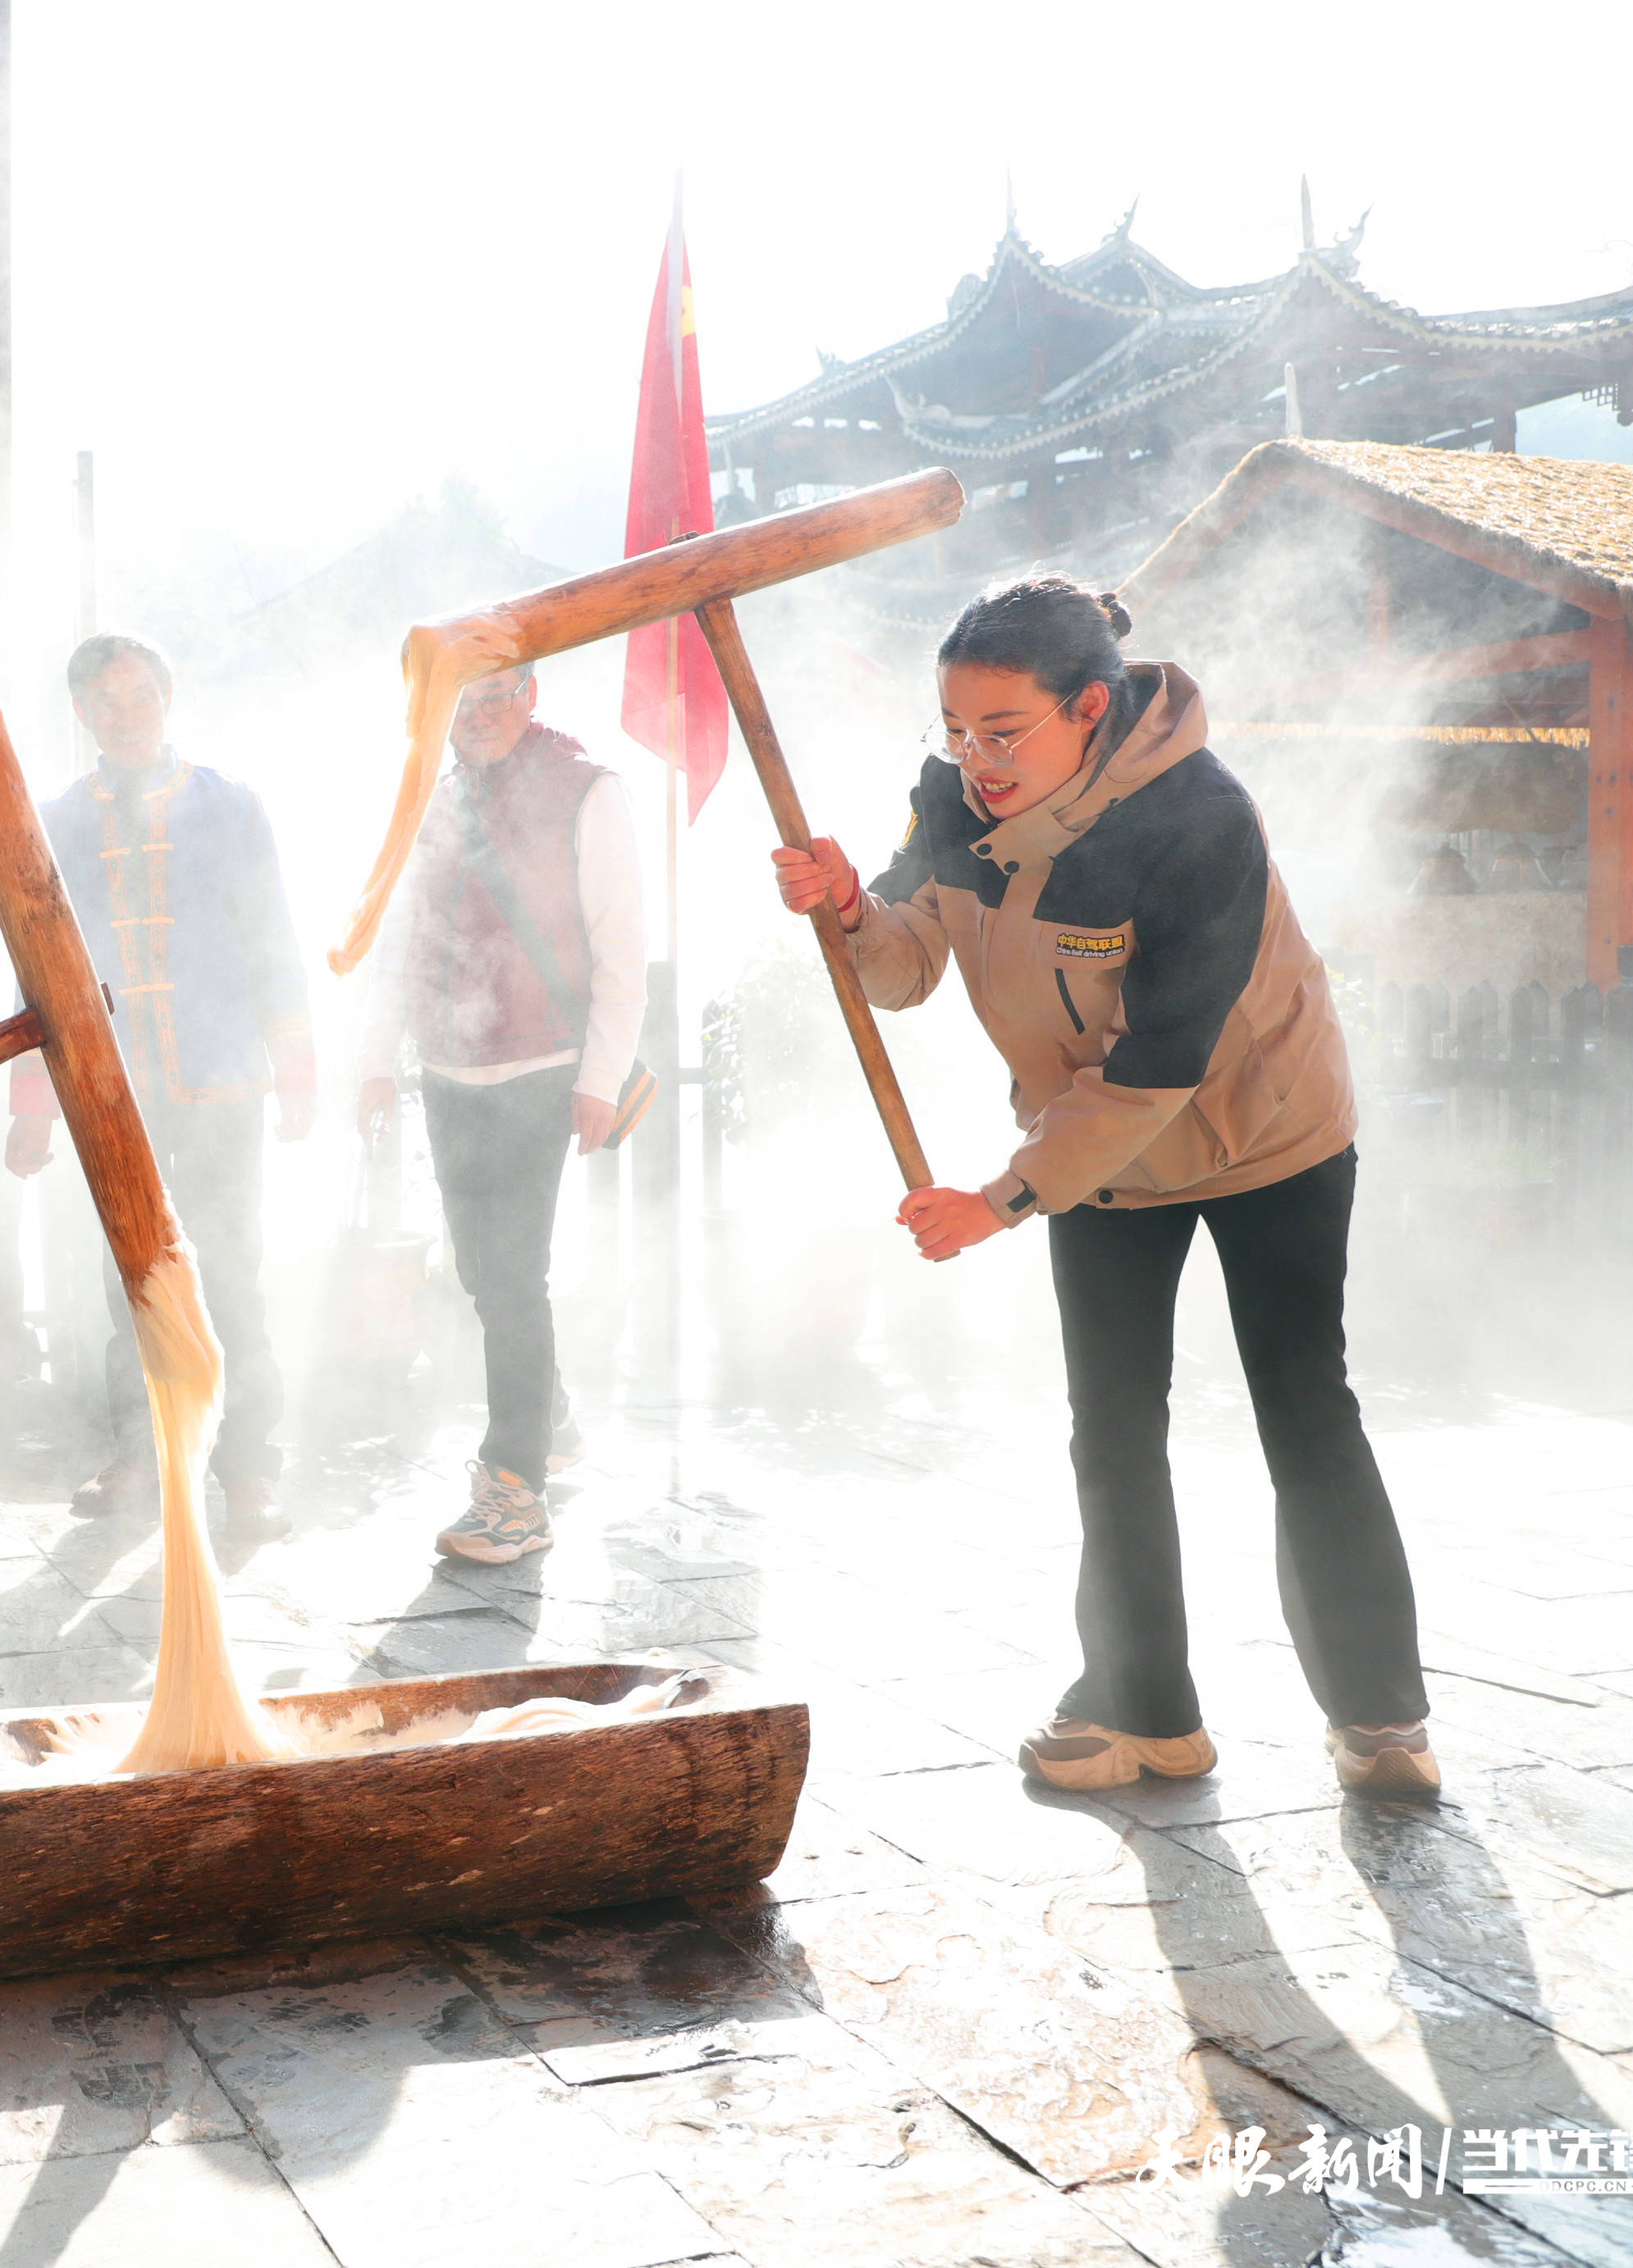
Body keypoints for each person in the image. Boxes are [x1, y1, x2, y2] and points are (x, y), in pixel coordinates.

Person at [771, 575, 1436, 1800]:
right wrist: (854, 909)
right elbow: (909, 966)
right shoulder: (954, 802)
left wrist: (1002, 1200)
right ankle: (1145, 1713)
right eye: (956, 730)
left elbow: (1158, 1066)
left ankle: (1382, 1719)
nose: (975, 760)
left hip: (1262, 1132)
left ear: (1090, 707)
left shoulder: (1200, 820)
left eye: (1004, 732)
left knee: (1304, 1405)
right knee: (1115, 1426)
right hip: (1098, 1151)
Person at [7, 634, 313, 1528]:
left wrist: (293, 1068)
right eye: (107, 703)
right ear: (82, 715)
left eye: (140, 696)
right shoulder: (57, 822)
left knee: (232, 1277)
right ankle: (136, 1457)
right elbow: (35, 967)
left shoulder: (228, 807)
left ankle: (250, 1471)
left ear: (167, 697)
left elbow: (272, 942)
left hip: (221, 1084)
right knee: (129, 1282)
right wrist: (32, 1107)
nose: (126, 715)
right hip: (114, 1095)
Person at [356, 660, 647, 1567]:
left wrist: (598, 1077)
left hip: (540, 1068)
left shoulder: (586, 790)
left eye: (496, 694)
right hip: (448, 1066)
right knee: (482, 1271)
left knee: (512, 1277)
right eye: (459, 700)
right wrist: (373, 1058)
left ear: (530, 694)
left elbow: (621, 943)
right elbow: (397, 934)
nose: (478, 715)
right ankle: (550, 1417)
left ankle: (513, 1487)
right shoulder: (431, 796)